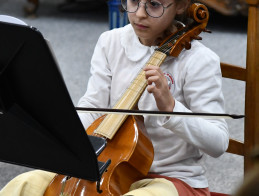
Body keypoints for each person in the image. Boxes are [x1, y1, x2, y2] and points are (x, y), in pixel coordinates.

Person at [0, 0, 229, 195]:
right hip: (104, 165)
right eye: (132, 1)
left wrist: (171, 108)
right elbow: (93, 107)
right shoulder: (110, 42)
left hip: (170, 178)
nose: (139, 13)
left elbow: (218, 142)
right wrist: (63, 136)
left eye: (154, 4)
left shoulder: (200, 61)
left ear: (179, 5)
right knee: (23, 185)